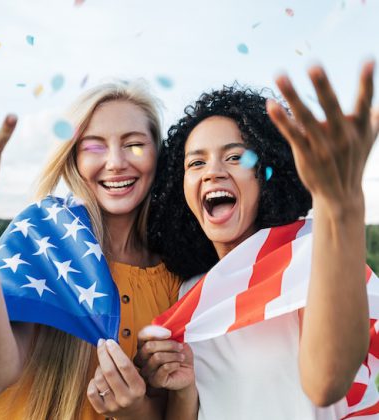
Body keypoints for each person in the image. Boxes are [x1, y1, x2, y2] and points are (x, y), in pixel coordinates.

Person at [136, 61, 379, 419]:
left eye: (235, 157)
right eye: (195, 163)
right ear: (179, 187)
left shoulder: (309, 259)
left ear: (267, 173)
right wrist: (184, 388)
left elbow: (327, 382)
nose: (214, 171)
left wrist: (339, 205)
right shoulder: (188, 295)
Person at [0, 80, 181, 419]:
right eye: (94, 147)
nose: (116, 162)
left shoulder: (175, 277)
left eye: (135, 145)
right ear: (73, 157)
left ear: (158, 153)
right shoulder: (43, 237)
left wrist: (135, 408)